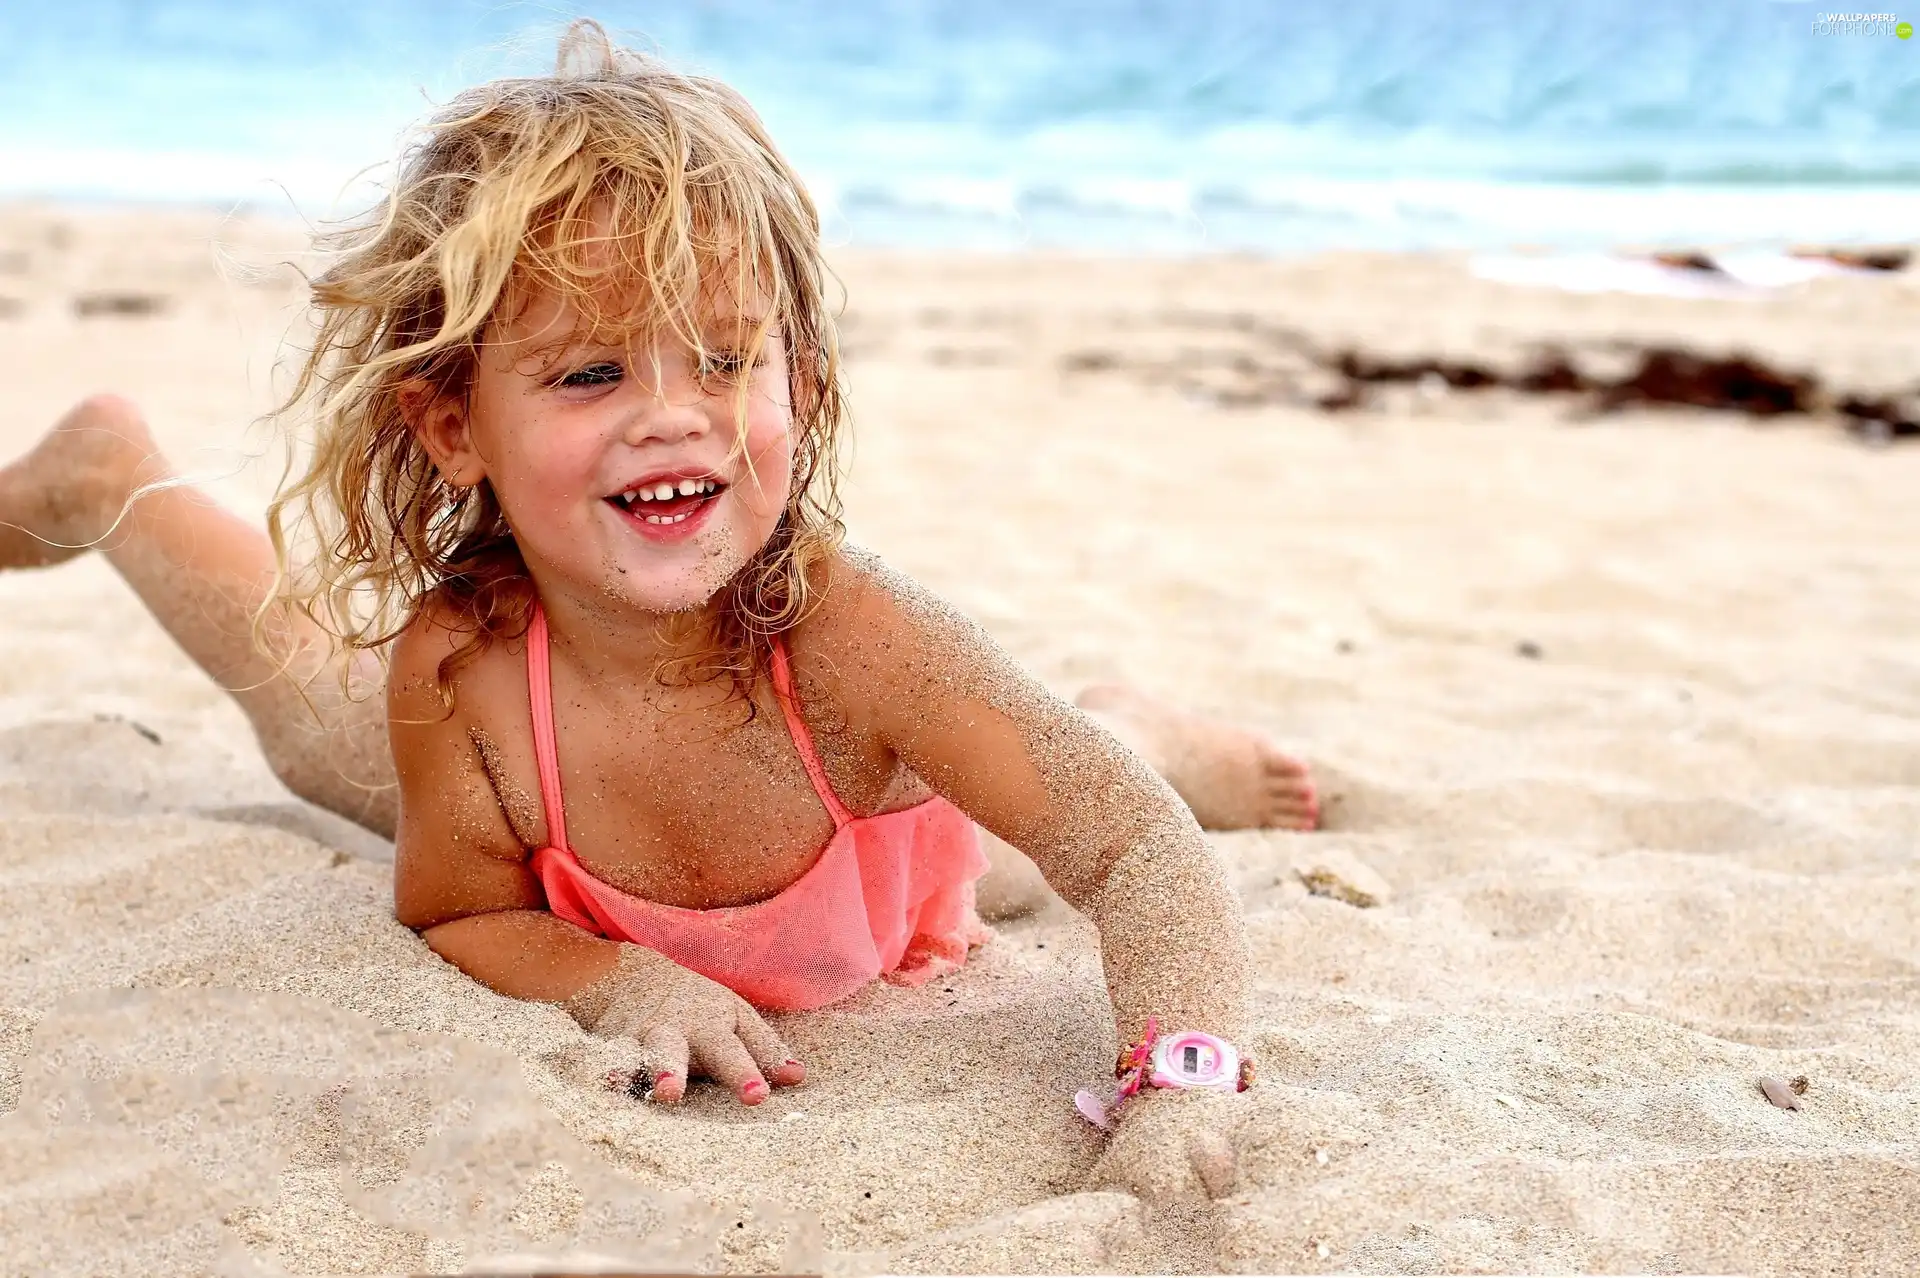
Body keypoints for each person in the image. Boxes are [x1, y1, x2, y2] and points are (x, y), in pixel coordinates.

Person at [0, 21, 1315, 1202]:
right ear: (454, 424)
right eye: (589, 369)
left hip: (889, 859)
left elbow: (1134, 846)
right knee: (309, 725)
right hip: (538, 739)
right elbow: (459, 910)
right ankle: (111, 476)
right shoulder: (463, 676)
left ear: (797, 380)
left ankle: (1140, 721)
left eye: (729, 357)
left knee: (1023, 848)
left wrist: (1183, 1078)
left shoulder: (860, 642)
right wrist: (619, 976)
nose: (672, 412)